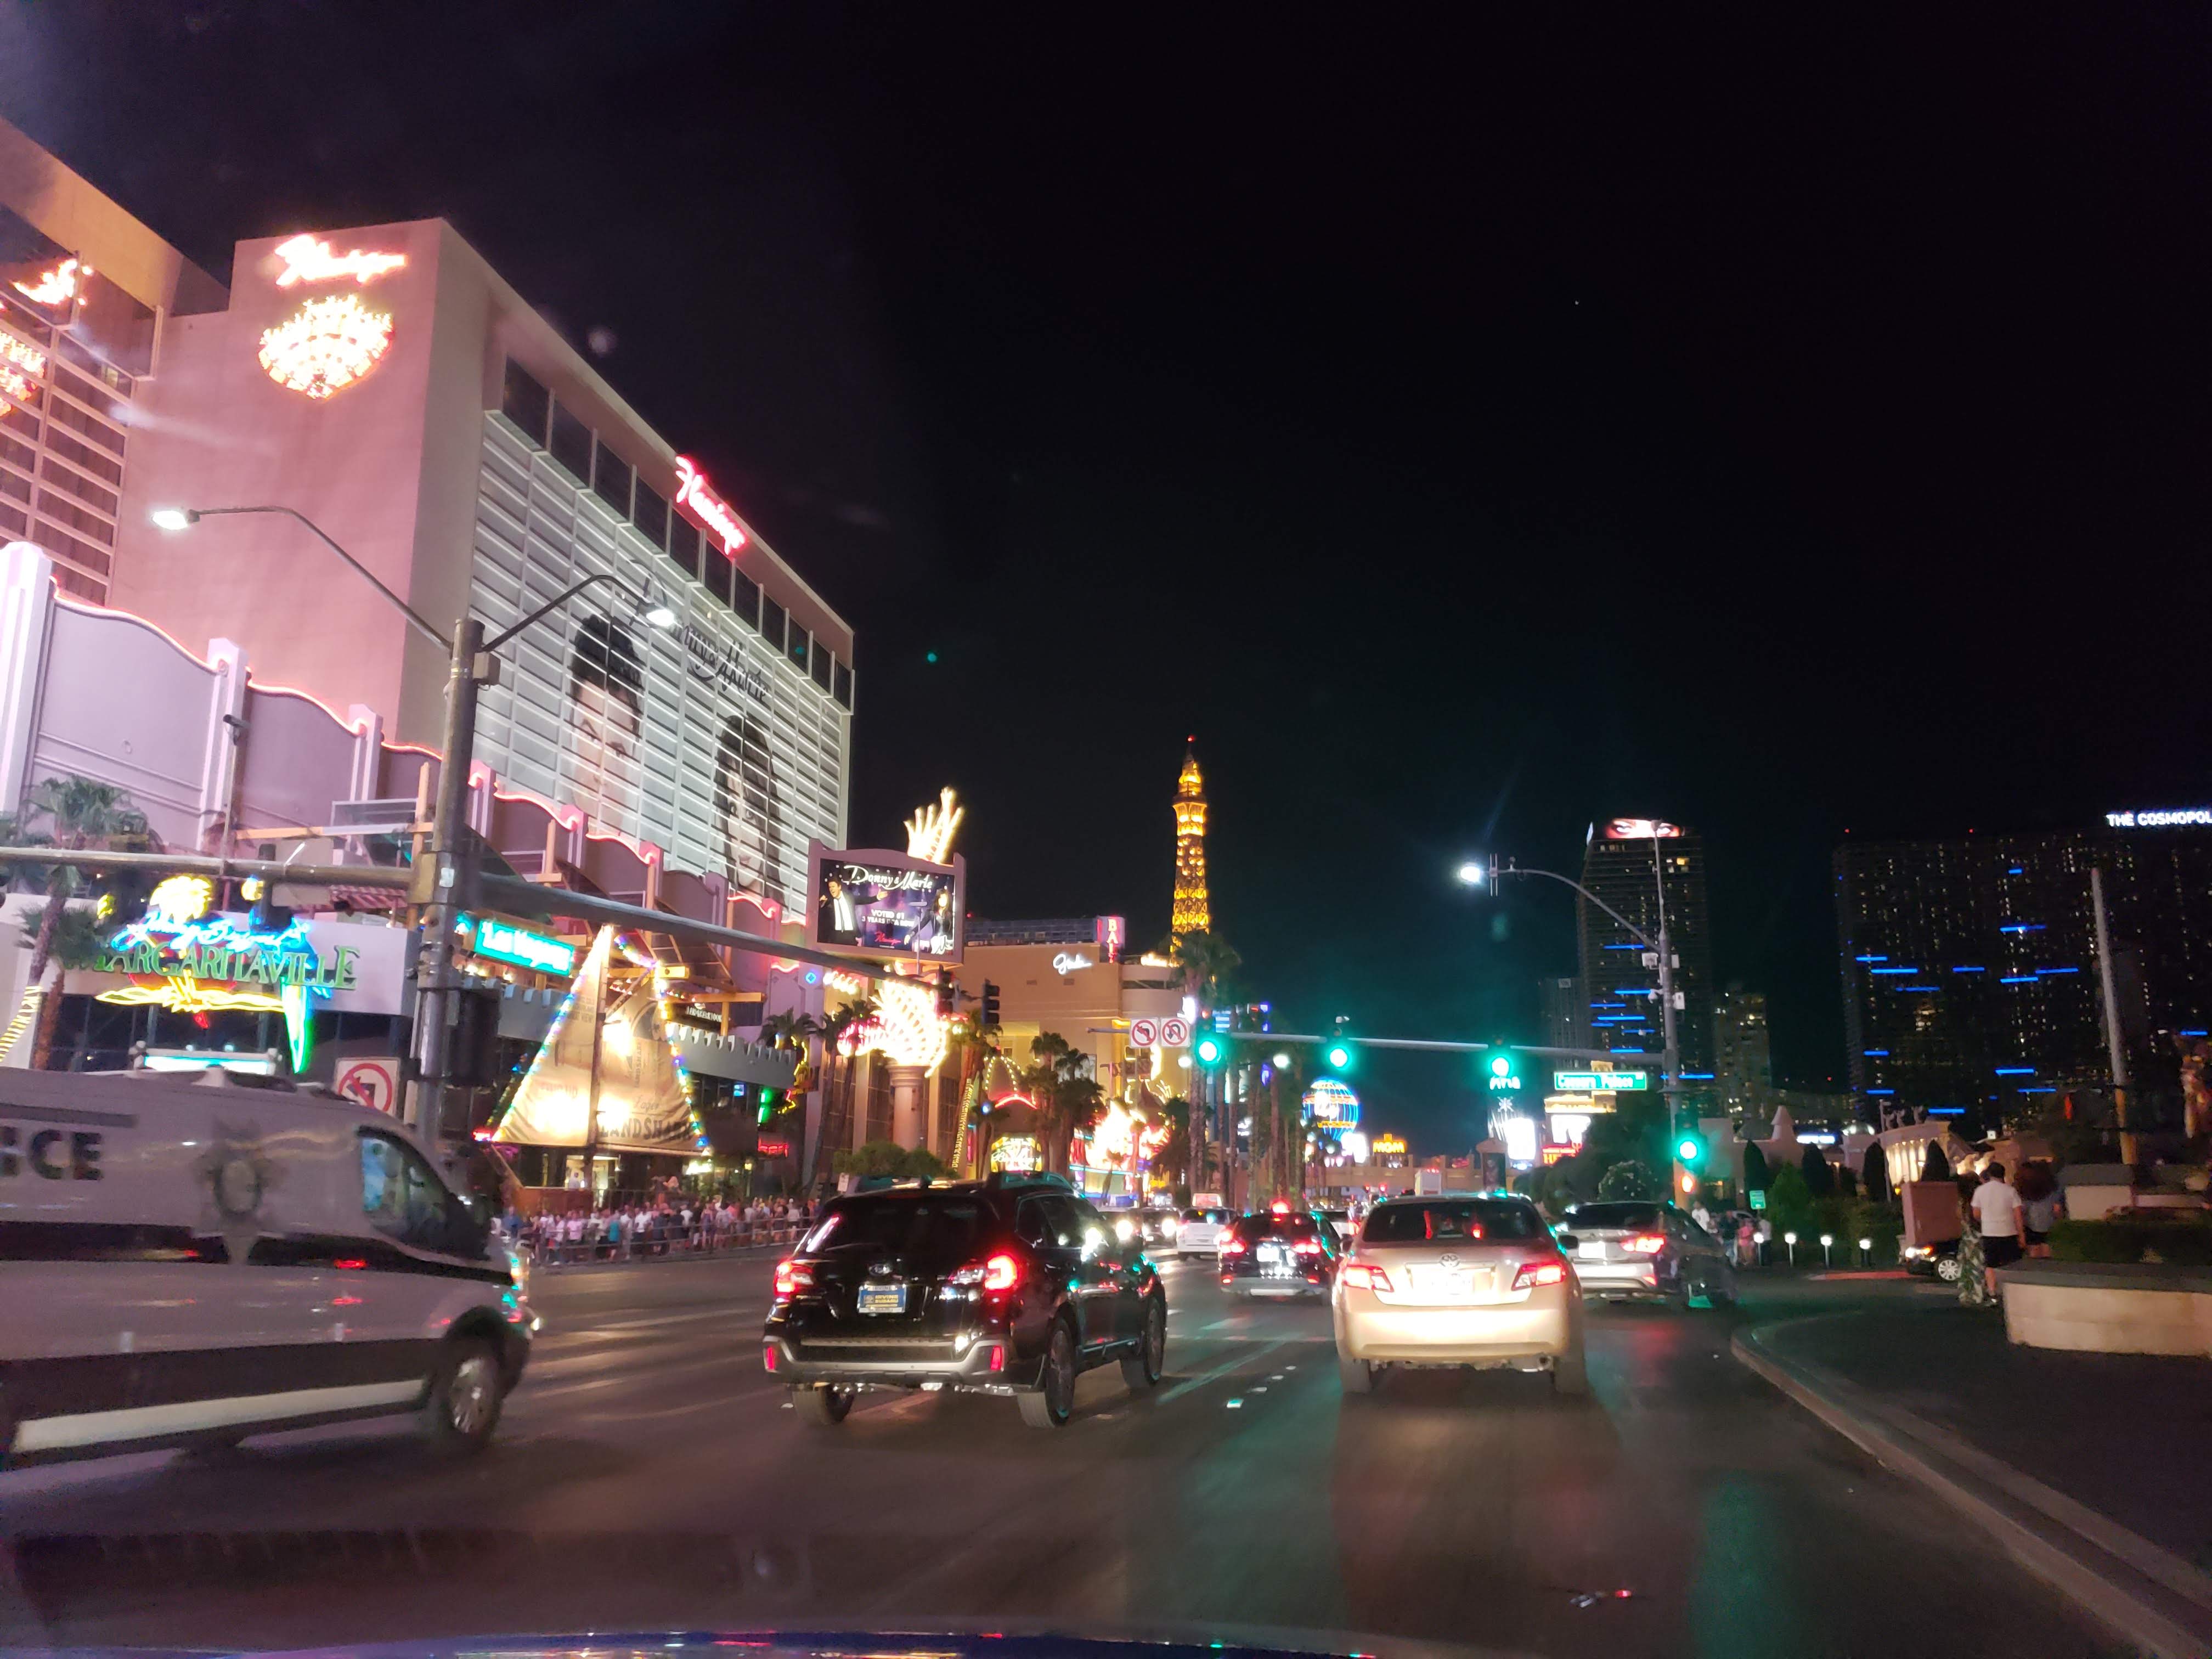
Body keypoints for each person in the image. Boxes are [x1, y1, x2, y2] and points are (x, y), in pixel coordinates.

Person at [1971, 1162, 2025, 1272]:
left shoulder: (1980, 1191)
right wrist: (2021, 1235)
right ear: (2003, 1174)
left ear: (1989, 1174)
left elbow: (1976, 1214)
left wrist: (1986, 1221)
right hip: (2009, 1233)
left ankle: (1992, 1284)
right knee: (2011, 1265)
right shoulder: (2011, 1191)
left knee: (1990, 1266)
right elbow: (2018, 1215)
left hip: (1989, 1233)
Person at [2021, 1164, 2063, 1258]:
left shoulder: (2026, 1191)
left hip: (2031, 1227)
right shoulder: (2053, 1191)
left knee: (2034, 1255)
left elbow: (2023, 1211)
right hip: (2049, 1226)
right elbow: (2057, 1210)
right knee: (2048, 1254)